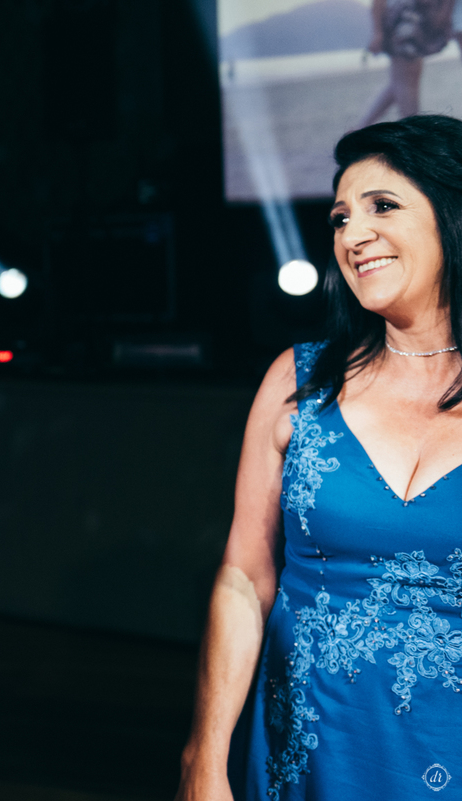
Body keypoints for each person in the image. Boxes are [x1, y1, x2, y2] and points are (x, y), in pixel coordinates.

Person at [178, 113, 462, 799]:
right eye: (339, 218)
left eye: (383, 206)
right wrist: (204, 756)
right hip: (311, 750)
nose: (353, 236)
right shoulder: (298, 383)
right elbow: (244, 576)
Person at [357, 0, 452, 128]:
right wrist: (377, 32)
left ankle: (360, 129)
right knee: (405, 82)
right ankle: (413, 131)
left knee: (402, 81)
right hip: (406, 18)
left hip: (415, 16)